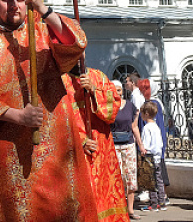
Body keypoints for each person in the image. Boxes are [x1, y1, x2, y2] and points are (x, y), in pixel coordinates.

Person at [0, 0, 98, 221]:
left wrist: (44, 9)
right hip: (5, 154)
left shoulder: (43, 33)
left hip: (54, 152)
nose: (14, 4)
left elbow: (77, 43)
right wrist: (18, 116)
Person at [66, 68, 128, 222]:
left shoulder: (99, 76)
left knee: (104, 198)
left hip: (102, 150)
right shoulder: (60, 81)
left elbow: (113, 110)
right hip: (75, 150)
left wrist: (94, 91)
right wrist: (80, 140)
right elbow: (58, 118)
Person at [110, 79, 142, 220]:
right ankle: (119, 209)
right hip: (114, 145)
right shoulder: (108, 107)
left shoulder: (130, 106)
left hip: (129, 144)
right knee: (118, 176)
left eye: (119, 90)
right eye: (114, 90)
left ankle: (130, 210)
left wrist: (141, 145)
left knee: (130, 177)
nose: (117, 92)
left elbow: (134, 127)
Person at [140, 101, 167, 212]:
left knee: (151, 181)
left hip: (150, 157)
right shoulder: (156, 127)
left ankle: (153, 203)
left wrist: (143, 151)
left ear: (146, 114)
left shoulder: (147, 128)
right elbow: (159, 143)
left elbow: (146, 143)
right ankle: (162, 202)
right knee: (159, 180)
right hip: (157, 157)